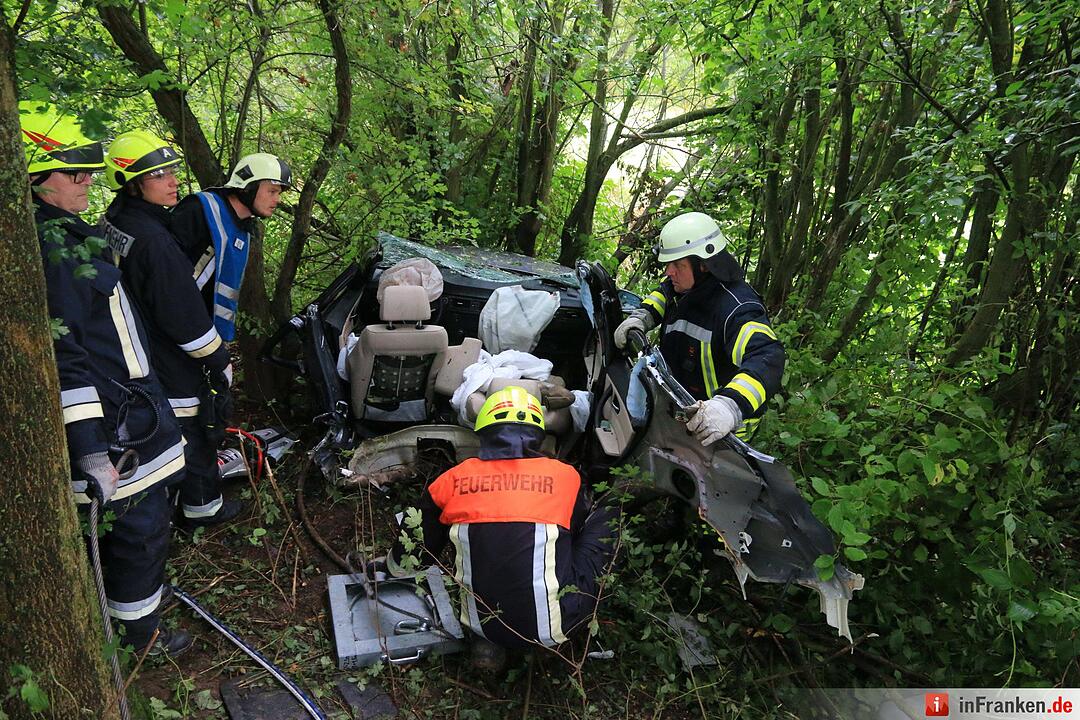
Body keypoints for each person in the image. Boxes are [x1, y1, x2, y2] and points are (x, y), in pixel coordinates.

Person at [21, 102, 191, 656]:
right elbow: (64, 355)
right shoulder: (55, 250)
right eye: (75, 172)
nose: (88, 180)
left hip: (131, 407)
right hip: (119, 425)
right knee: (140, 532)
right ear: (36, 178)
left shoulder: (69, 233)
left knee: (138, 530)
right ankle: (139, 636)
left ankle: (131, 617)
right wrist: (91, 450)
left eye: (90, 169)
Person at [382, 386, 618, 670]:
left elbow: (413, 548)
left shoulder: (452, 479)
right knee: (605, 517)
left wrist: (392, 568)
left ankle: (491, 645)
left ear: (483, 433)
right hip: (556, 628)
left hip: (481, 625)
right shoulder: (567, 477)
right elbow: (577, 531)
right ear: (538, 434)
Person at [100, 130, 240, 528]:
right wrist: (218, 359)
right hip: (165, 353)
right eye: (158, 174)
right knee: (195, 425)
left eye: (172, 170)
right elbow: (184, 317)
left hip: (133, 346)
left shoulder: (116, 220)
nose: (173, 180)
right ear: (131, 183)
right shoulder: (156, 243)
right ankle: (201, 506)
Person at [163, 152, 291, 525]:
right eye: (272, 190)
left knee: (208, 416)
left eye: (280, 192)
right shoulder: (199, 213)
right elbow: (170, 289)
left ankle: (196, 499)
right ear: (248, 187)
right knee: (194, 419)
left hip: (205, 344)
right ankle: (193, 507)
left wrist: (221, 349)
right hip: (179, 345)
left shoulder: (241, 226)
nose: (277, 199)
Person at [614, 211, 785, 444]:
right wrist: (642, 317)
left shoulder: (737, 309)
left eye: (677, 265)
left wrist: (729, 405)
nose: (668, 272)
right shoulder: (685, 286)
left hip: (720, 434)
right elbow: (664, 293)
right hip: (680, 414)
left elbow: (767, 356)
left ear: (704, 264)